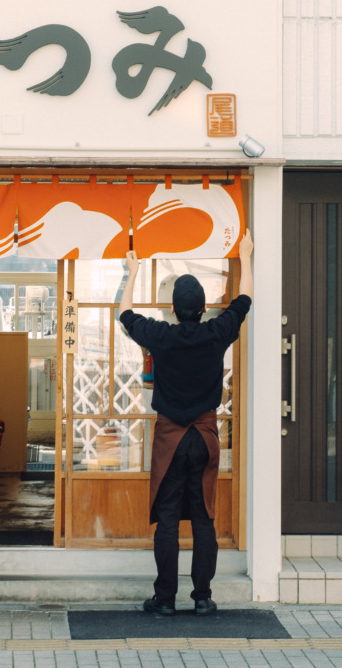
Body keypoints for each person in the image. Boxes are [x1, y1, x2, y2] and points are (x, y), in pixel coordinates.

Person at [118, 229, 253, 616]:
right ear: (204, 307)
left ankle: (164, 601)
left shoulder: (162, 336)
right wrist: (245, 255)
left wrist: (132, 272)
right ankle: (203, 598)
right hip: (206, 435)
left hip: (170, 437)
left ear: (174, 309)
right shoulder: (217, 333)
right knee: (204, 516)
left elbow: (125, 315)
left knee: (168, 521)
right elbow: (245, 300)